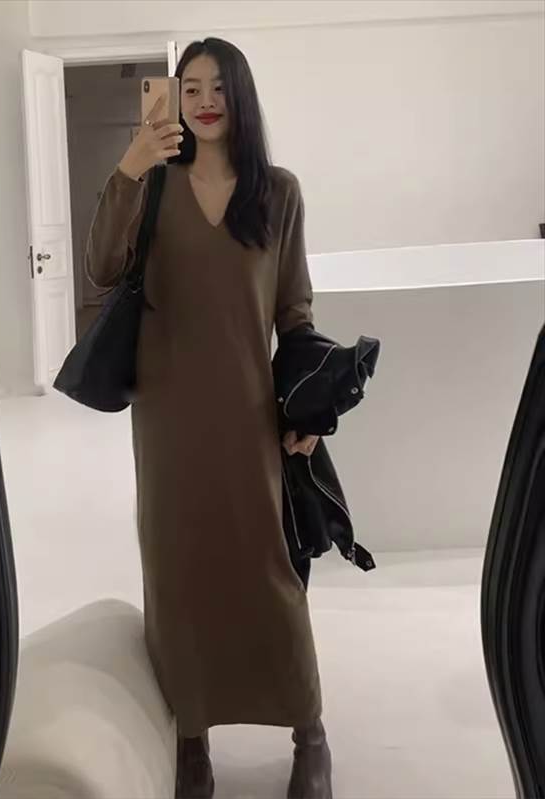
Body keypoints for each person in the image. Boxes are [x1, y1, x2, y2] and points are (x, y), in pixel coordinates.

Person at [85, 37, 332, 799]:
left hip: (251, 414)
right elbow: (101, 268)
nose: (203, 101)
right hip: (166, 418)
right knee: (178, 572)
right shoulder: (153, 185)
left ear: (240, 95)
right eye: (189, 87)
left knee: (270, 571)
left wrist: (309, 407)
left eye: (218, 86)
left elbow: (294, 310)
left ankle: (309, 731)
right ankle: (190, 737)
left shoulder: (278, 193)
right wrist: (129, 167)